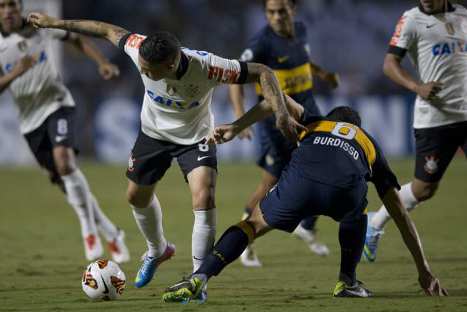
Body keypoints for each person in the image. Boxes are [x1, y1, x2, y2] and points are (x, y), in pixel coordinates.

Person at [27, 11, 300, 300]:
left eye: (149, 70)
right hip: (153, 134)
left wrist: (281, 113)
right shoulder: (138, 47)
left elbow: (263, 72)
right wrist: (54, 23)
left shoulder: (209, 67)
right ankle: (158, 250)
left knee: (204, 197)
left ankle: (198, 280)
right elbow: (104, 29)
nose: (143, 72)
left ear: (171, 64)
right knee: (135, 197)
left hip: (196, 138)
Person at [162, 95, 448, 303]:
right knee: (357, 215)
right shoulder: (368, 142)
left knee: (252, 225)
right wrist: (424, 270)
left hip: (299, 184)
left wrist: (236, 127)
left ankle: (200, 277)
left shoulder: (315, 122)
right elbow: (399, 212)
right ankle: (347, 281)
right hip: (343, 192)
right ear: (356, 127)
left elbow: (274, 100)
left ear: (331, 118)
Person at [0, 0, 129, 263]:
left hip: (57, 104)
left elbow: (75, 39)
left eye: (12, 5)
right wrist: (16, 73)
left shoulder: (39, 24)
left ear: (20, 6)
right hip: (29, 122)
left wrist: (101, 62)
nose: (8, 11)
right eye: (2, 6)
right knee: (64, 182)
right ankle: (112, 232)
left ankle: (89, 231)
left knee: (65, 161)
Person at [229, 0, 339, 267]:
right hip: (276, 121)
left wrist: (322, 73)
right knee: (270, 183)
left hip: (308, 113)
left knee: (329, 166)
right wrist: (239, 119)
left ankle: (307, 226)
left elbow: (303, 59)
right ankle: (245, 240)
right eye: (270, 12)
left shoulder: (300, 30)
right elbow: (234, 77)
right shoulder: (261, 44)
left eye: (281, 11)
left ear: (293, 10)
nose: (276, 17)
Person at [363, 0, 467, 262]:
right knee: (424, 190)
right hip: (434, 119)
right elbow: (389, 64)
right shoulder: (411, 19)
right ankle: (375, 222)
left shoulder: (464, 15)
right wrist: (417, 87)